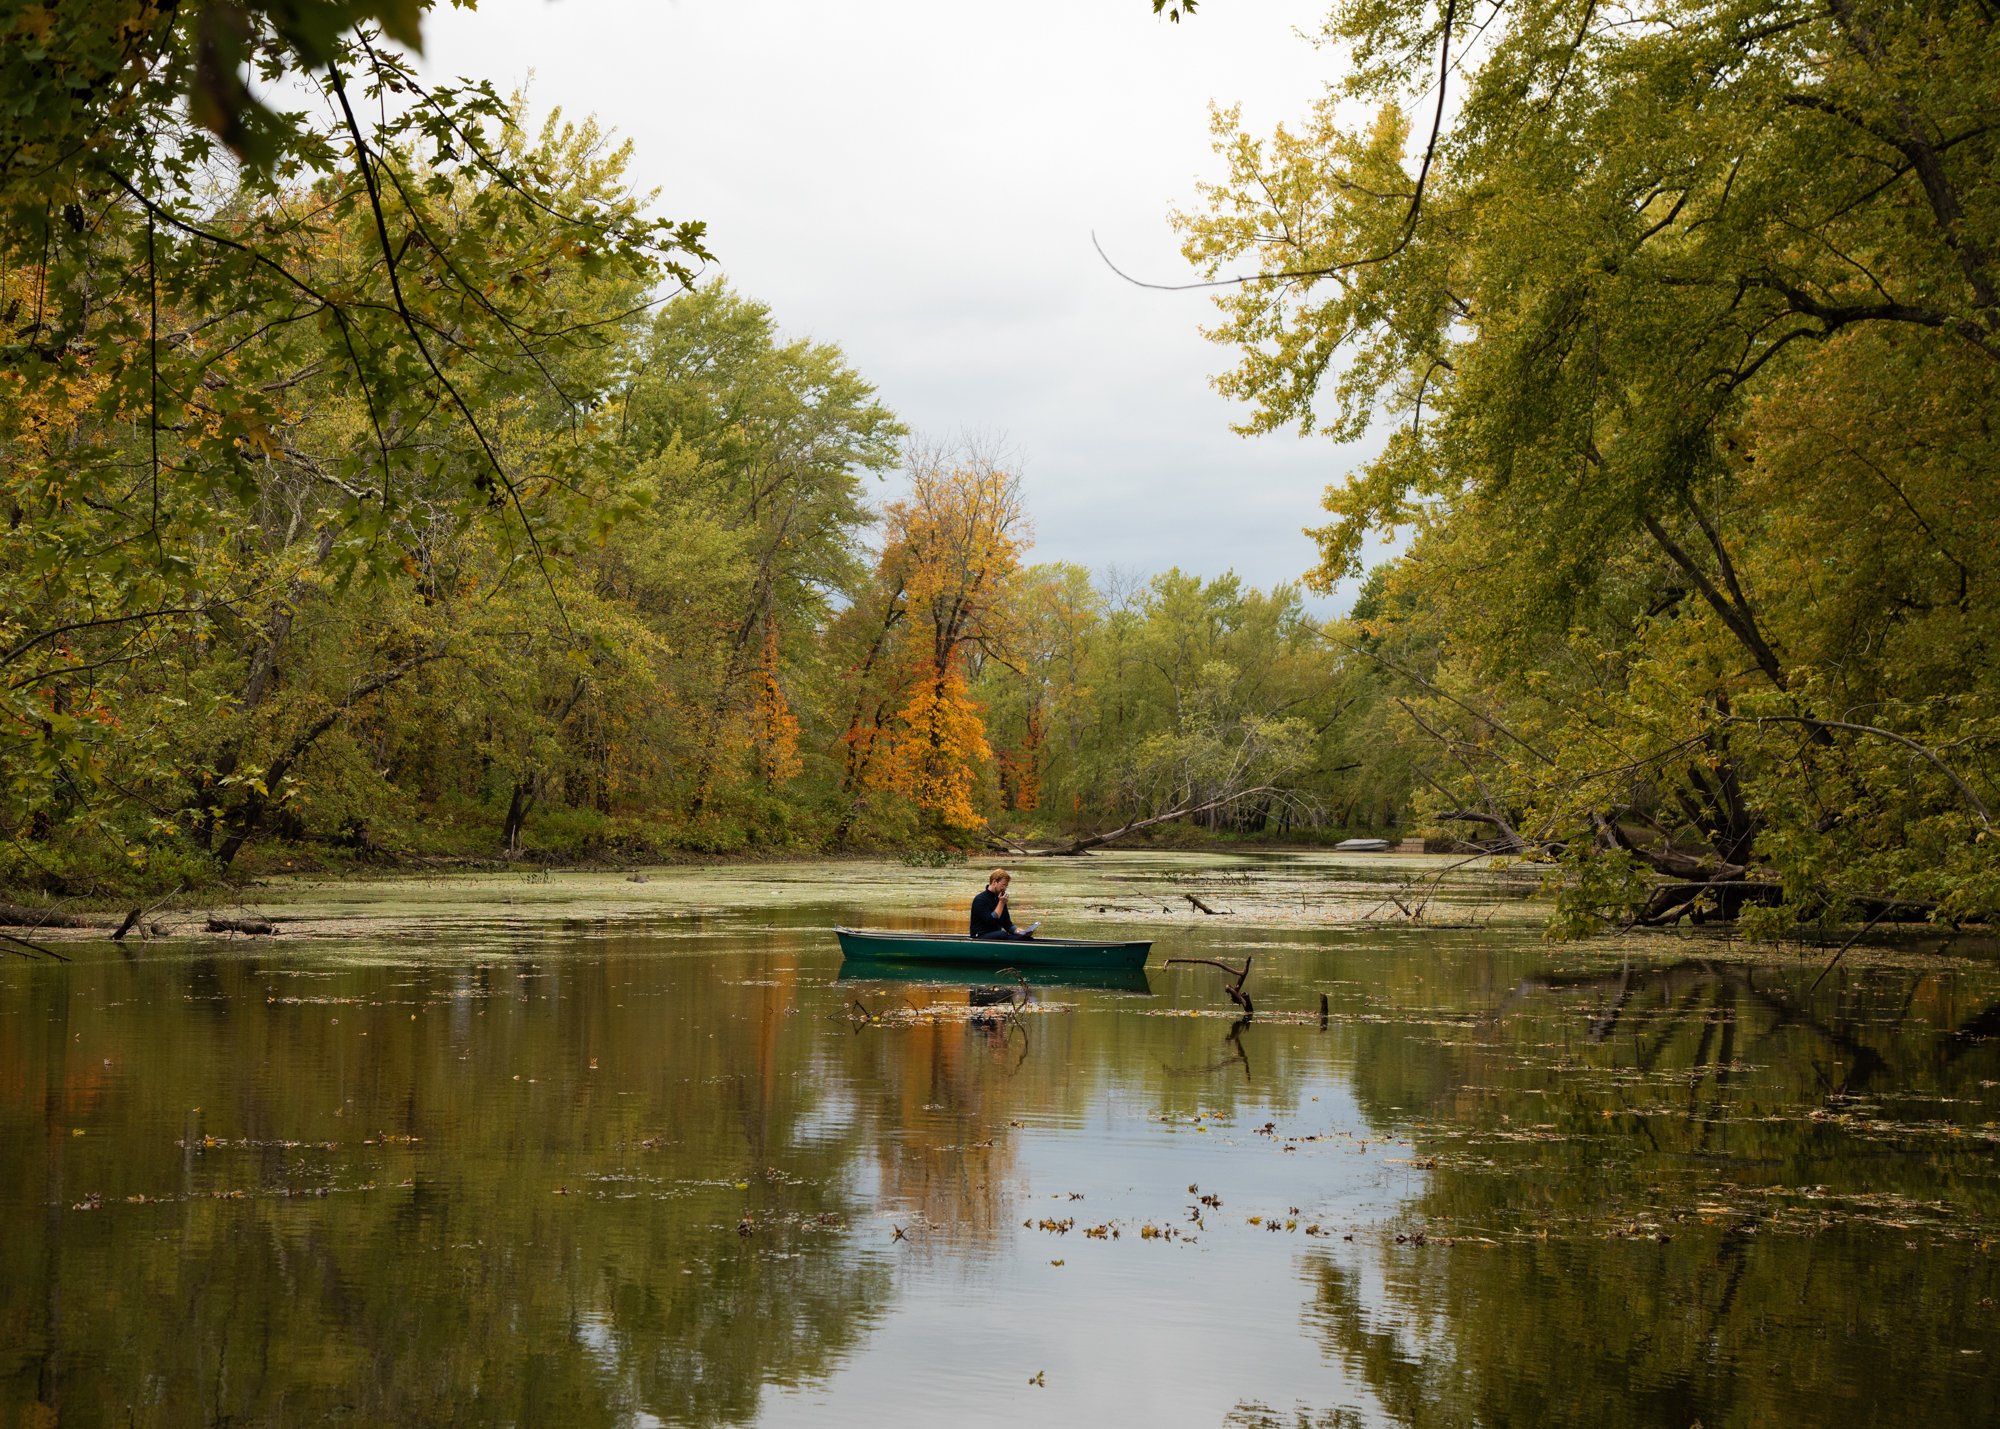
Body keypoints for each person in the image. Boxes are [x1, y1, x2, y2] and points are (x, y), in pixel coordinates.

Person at [969, 868, 1035, 939]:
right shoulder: (980, 899)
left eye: (1006, 886)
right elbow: (990, 921)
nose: (1005, 888)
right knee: (1002, 934)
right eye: (1003, 885)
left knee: (1025, 938)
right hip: (980, 935)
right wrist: (1001, 903)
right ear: (994, 882)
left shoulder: (1000, 898)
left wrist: (1021, 932)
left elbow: (1007, 924)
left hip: (997, 935)